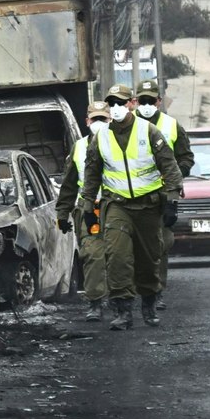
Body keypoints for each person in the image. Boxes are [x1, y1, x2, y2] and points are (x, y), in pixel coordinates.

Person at [79, 83, 184, 330]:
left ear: (131, 104)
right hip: (117, 205)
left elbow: (169, 165)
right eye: (111, 104)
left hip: (148, 205)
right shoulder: (101, 137)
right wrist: (86, 207)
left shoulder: (148, 131)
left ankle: (148, 303)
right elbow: (92, 173)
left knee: (149, 259)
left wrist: (172, 200)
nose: (116, 108)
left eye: (120, 103)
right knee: (117, 255)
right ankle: (123, 311)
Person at [133, 79, 193, 311]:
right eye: (142, 100)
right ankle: (128, 293)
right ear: (135, 101)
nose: (147, 105)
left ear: (158, 101)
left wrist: (175, 181)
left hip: (162, 195)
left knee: (160, 244)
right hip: (129, 196)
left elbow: (186, 157)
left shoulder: (171, 126)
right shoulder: (123, 126)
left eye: (151, 100)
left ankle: (156, 292)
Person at [56, 101, 111, 321]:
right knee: (92, 255)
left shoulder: (119, 144)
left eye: (103, 119)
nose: (99, 123)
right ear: (87, 122)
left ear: (110, 121)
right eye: (95, 119)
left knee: (119, 255)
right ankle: (95, 303)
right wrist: (62, 214)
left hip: (117, 207)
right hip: (89, 210)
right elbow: (69, 183)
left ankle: (121, 301)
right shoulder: (79, 147)